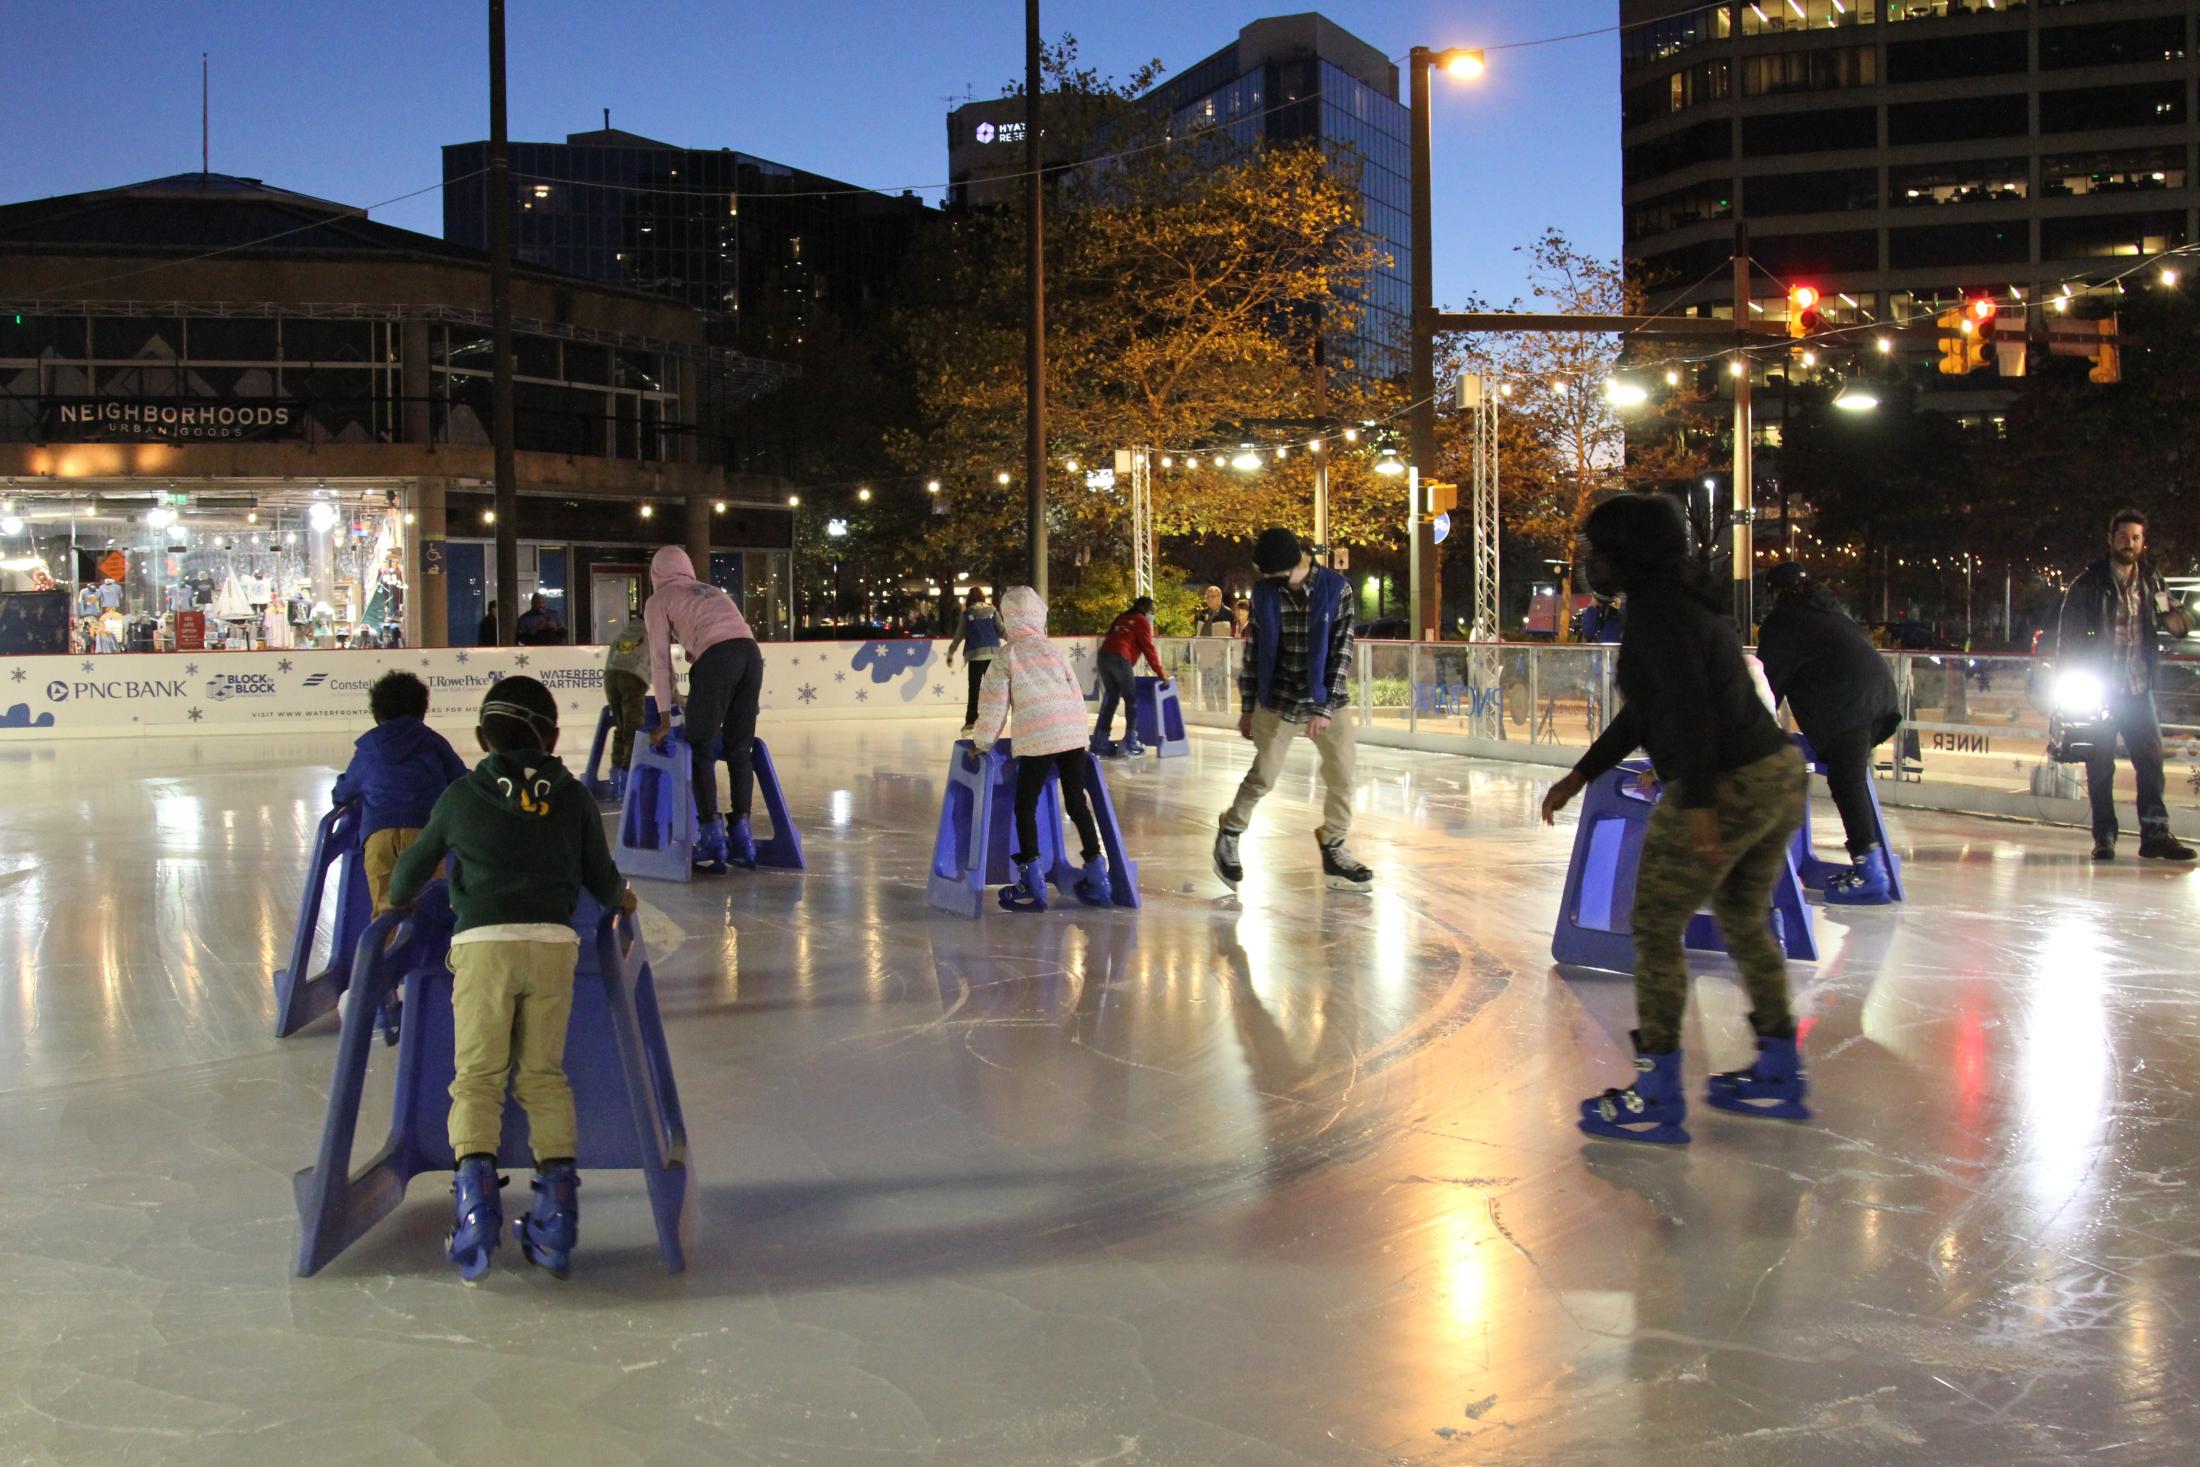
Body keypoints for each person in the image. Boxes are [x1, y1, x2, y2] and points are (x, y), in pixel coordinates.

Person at [1540, 494, 1808, 1145]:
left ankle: (1656, 1089)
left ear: (1628, 553)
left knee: (1656, 924)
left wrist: (1701, 808)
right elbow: (1647, 712)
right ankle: (1779, 1067)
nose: (1590, 562)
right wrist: (1581, 775)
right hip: (1775, 774)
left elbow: (1690, 710)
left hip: (1726, 781)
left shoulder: (1657, 613)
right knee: (1744, 918)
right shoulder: (1682, 601)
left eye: (1598, 550)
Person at [385, 676, 637, 1281]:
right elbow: (603, 880)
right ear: (553, 737)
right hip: (552, 950)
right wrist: (623, 900)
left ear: (481, 739)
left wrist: (399, 902)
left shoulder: (460, 797)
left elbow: (409, 873)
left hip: (483, 950)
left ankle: (475, 1211)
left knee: (477, 1079)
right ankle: (557, 1216)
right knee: (544, 1077)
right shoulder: (573, 799)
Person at [1214, 527, 1371, 894]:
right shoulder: (1267, 592)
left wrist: (1324, 706)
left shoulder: (1336, 589)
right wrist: (1248, 706)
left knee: (1343, 774)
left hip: (1328, 699)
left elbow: (1341, 651)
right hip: (1279, 697)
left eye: (1269, 574)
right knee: (1264, 776)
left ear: (1288, 567)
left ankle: (1334, 846)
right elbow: (1254, 652)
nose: (1264, 581)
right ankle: (1230, 833)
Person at [2056, 508, 2196, 862]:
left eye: (2135, 538)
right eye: (2122, 537)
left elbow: (2179, 623)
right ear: (2111, 540)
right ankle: (2104, 836)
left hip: (2138, 688)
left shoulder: (2152, 581)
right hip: (2100, 690)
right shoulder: (2088, 583)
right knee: (2100, 765)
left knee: (2151, 762)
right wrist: (2065, 691)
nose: (2129, 544)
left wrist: (2177, 618)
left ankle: (2155, 835)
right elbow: (2067, 640)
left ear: (2143, 542)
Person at [1757, 563, 1902, 902]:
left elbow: (1766, 685)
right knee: (1848, 776)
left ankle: (1870, 871)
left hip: (1848, 705)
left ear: (1775, 592)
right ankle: (1872, 865)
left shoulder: (1783, 622)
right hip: (1880, 699)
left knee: (1846, 779)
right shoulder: (1831, 611)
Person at [969, 586, 1112, 910]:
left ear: (1009, 618)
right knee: (1076, 802)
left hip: (1037, 736)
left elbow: (993, 704)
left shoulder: (1007, 655)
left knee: (1026, 806)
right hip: (1071, 734)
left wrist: (982, 742)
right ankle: (1098, 876)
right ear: (1038, 616)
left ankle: (1033, 883)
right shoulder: (1052, 650)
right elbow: (1075, 692)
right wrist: (1081, 734)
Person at [645, 546, 765, 873]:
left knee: (699, 745)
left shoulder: (658, 600)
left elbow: (660, 662)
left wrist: (665, 718)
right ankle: (743, 838)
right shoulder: (711, 591)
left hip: (719, 658)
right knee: (739, 748)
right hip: (750, 654)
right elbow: (723, 631)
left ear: (656, 572)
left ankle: (712, 838)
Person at [331, 671, 468, 914]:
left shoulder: (369, 747)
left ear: (377, 713)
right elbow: (460, 779)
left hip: (378, 834)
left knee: (384, 905)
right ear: (422, 710)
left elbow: (346, 790)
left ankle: (384, 937)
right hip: (424, 834)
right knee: (427, 903)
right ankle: (424, 938)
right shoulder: (433, 742)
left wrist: (339, 793)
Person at [1092, 596, 1168, 756]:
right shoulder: (1141, 620)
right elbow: (1148, 649)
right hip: (1119, 658)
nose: (1153, 615)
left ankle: (1100, 741)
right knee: (1131, 700)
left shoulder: (1122, 617)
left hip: (1103, 658)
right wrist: (1161, 674)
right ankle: (1130, 742)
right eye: (1152, 611)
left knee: (1112, 698)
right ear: (1145, 609)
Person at [601, 606, 651, 800]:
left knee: (621, 728)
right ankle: (628, 779)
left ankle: (616, 777)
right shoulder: (654, 631)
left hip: (611, 676)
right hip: (633, 677)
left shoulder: (626, 631)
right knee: (634, 732)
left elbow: (611, 656)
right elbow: (664, 667)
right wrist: (675, 697)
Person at [944, 587, 1001, 736]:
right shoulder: (993, 611)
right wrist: (1016, 641)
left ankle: (970, 722)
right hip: (993, 653)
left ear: (969, 599)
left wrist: (950, 653)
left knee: (974, 689)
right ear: (983, 597)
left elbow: (958, 636)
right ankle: (993, 720)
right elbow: (1001, 630)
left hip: (976, 655)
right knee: (992, 689)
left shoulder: (967, 614)